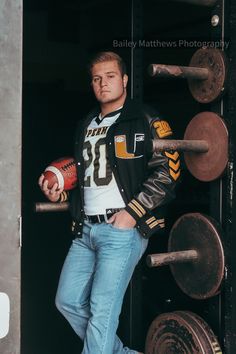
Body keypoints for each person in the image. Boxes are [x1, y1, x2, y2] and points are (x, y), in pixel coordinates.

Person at [38, 51, 180, 354]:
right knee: (67, 300)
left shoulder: (144, 118)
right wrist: (60, 194)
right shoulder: (86, 123)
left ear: (125, 80)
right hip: (86, 229)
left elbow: (169, 171)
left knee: (102, 313)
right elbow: (89, 178)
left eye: (110, 76)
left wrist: (133, 212)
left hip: (120, 230)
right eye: (97, 79)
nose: (103, 84)